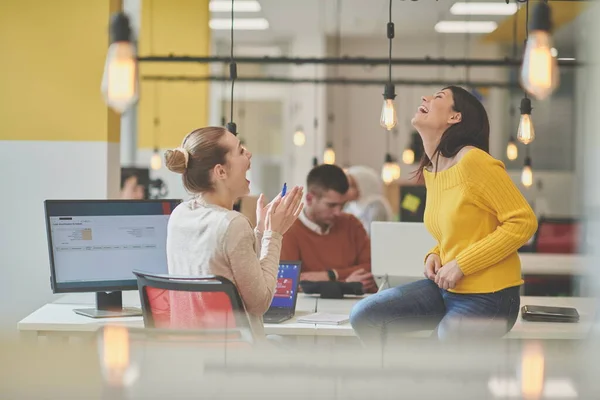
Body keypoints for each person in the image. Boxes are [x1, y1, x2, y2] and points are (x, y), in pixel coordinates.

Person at [349, 86, 538, 343]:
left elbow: (523, 222)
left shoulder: (474, 162)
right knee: (364, 315)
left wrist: (461, 264)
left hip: (491, 295)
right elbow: (457, 230)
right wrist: (436, 254)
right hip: (447, 288)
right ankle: (405, 378)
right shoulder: (434, 171)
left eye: (438, 97)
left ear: (455, 117)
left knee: (440, 349)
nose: (424, 97)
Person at [164, 127, 304, 339]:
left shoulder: (179, 215)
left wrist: (260, 232)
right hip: (233, 359)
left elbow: (232, 265)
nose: (249, 154)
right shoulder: (233, 223)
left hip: (191, 353)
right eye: (240, 151)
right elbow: (260, 303)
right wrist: (274, 236)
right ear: (221, 172)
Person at [281, 164, 377, 293]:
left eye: (343, 205)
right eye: (331, 205)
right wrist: (346, 284)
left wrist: (331, 275)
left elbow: (371, 269)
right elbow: (289, 284)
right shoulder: (288, 230)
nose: (338, 212)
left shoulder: (352, 224)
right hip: (307, 310)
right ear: (310, 199)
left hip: (350, 308)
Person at [344, 165, 394, 235]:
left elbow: (373, 235)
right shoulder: (350, 206)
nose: (347, 190)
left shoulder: (377, 207)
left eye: (352, 186)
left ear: (364, 186)